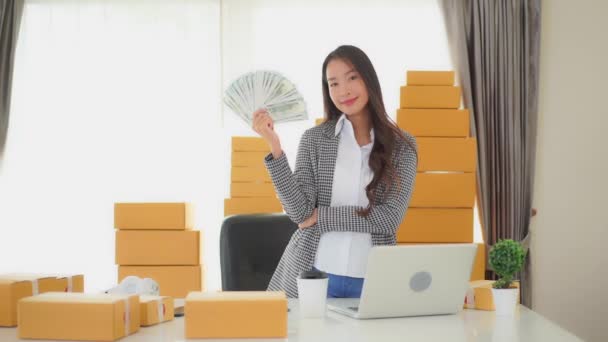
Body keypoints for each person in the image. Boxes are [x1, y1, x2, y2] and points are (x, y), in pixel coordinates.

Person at [252, 45, 417, 298]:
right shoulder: (315, 140)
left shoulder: (402, 146)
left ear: (368, 80)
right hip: (311, 274)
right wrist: (274, 146)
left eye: (352, 78)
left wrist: (322, 217)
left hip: (372, 279)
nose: (344, 91)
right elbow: (300, 213)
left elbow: (389, 219)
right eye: (333, 84)